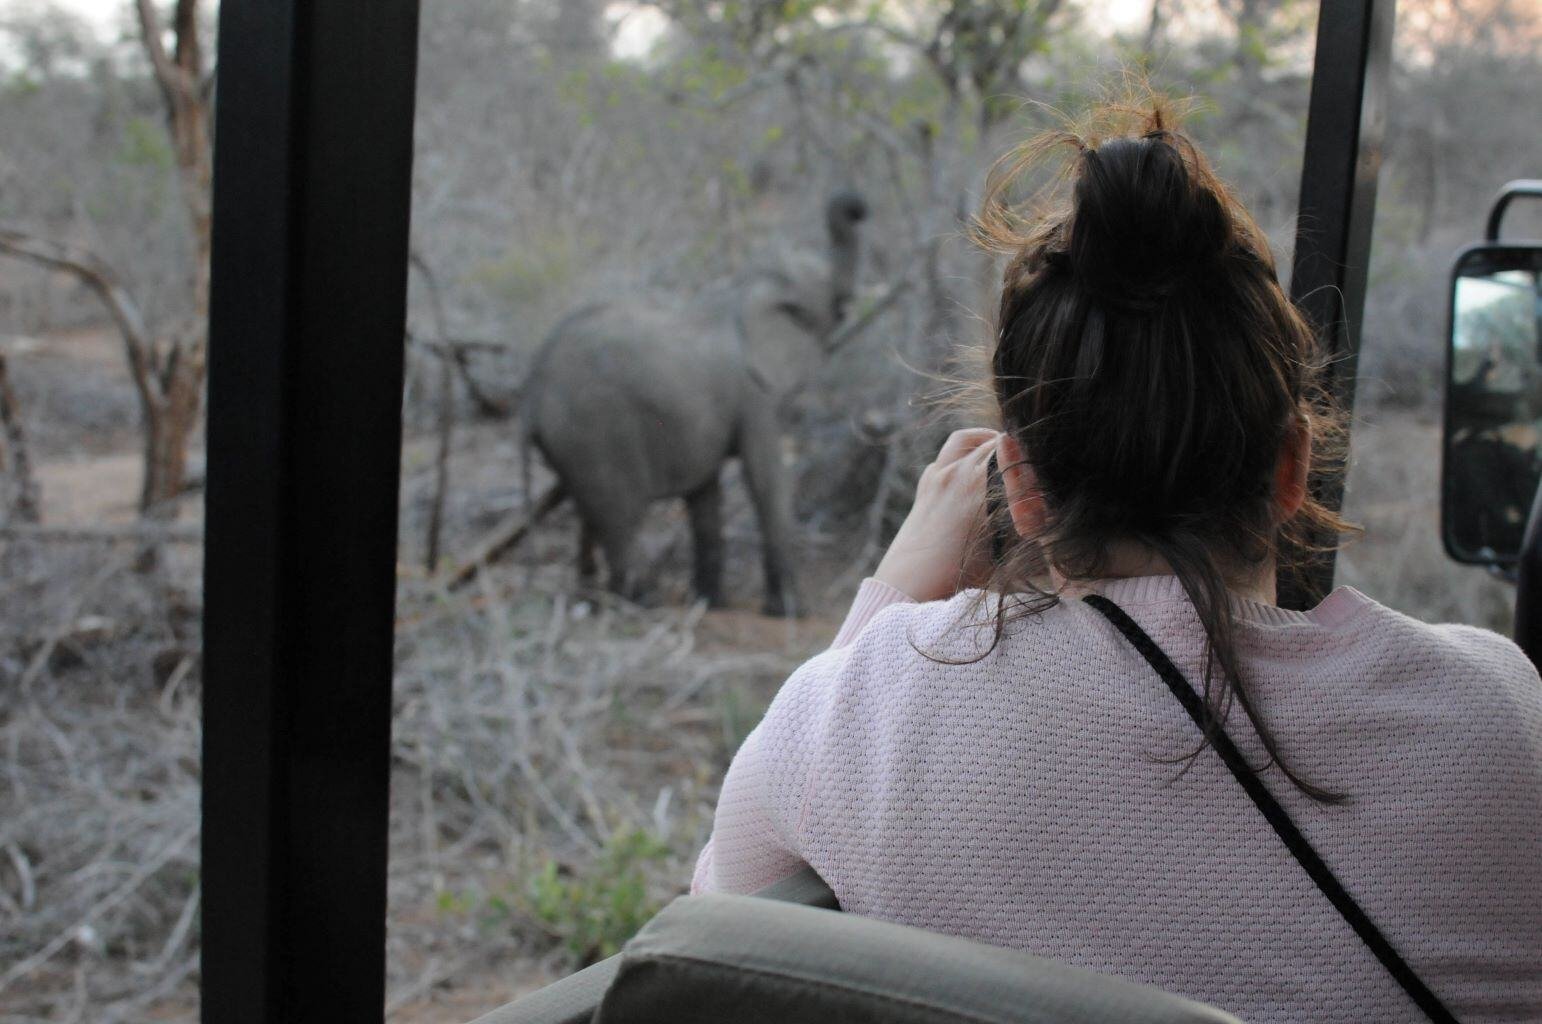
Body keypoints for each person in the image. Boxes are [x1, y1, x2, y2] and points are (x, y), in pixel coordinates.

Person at [689, 97, 1542, 1024]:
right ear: (1294, 467)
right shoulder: (1499, 720)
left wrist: (887, 605)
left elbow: (718, 944)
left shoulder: (867, 711)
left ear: (1020, 487)